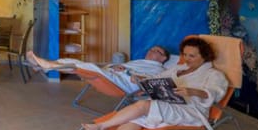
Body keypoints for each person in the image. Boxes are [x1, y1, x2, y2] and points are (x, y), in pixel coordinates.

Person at [81, 37, 228, 130]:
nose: (187, 59)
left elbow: (216, 93)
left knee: (143, 105)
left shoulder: (214, 75)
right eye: (185, 54)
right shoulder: (178, 68)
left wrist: (192, 91)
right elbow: (158, 78)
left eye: (192, 56)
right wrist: (142, 79)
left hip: (191, 111)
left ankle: (101, 126)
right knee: (139, 115)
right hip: (170, 103)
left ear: (205, 56)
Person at [25, 45, 171, 93]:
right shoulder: (140, 61)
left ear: (163, 58)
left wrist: (126, 71)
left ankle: (45, 66)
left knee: (87, 67)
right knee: (77, 63)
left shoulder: (159, 70)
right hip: (113, 74)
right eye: (151, 49)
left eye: (156, 51)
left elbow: (149, 81)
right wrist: (116, 66)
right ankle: (43, 65)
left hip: (123, 83)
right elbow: (124, 67)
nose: (151, 51)